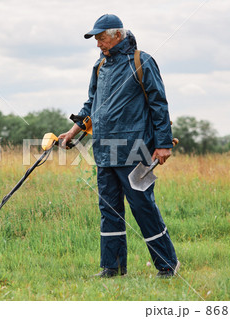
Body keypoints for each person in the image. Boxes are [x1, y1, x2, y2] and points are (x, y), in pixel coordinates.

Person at [59, 14, 179, 278]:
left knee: (143, 208)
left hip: (136, 150)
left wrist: (162, 145)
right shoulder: (99, 67)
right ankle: (112, 268)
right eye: (96, 39)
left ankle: (167, 265)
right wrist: (71, 132)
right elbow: (91, 105)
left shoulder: (142, 61)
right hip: (104, 151)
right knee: (109, 211)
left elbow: (159, 105)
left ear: (117, 35)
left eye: (101, 38)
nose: (98, 44)